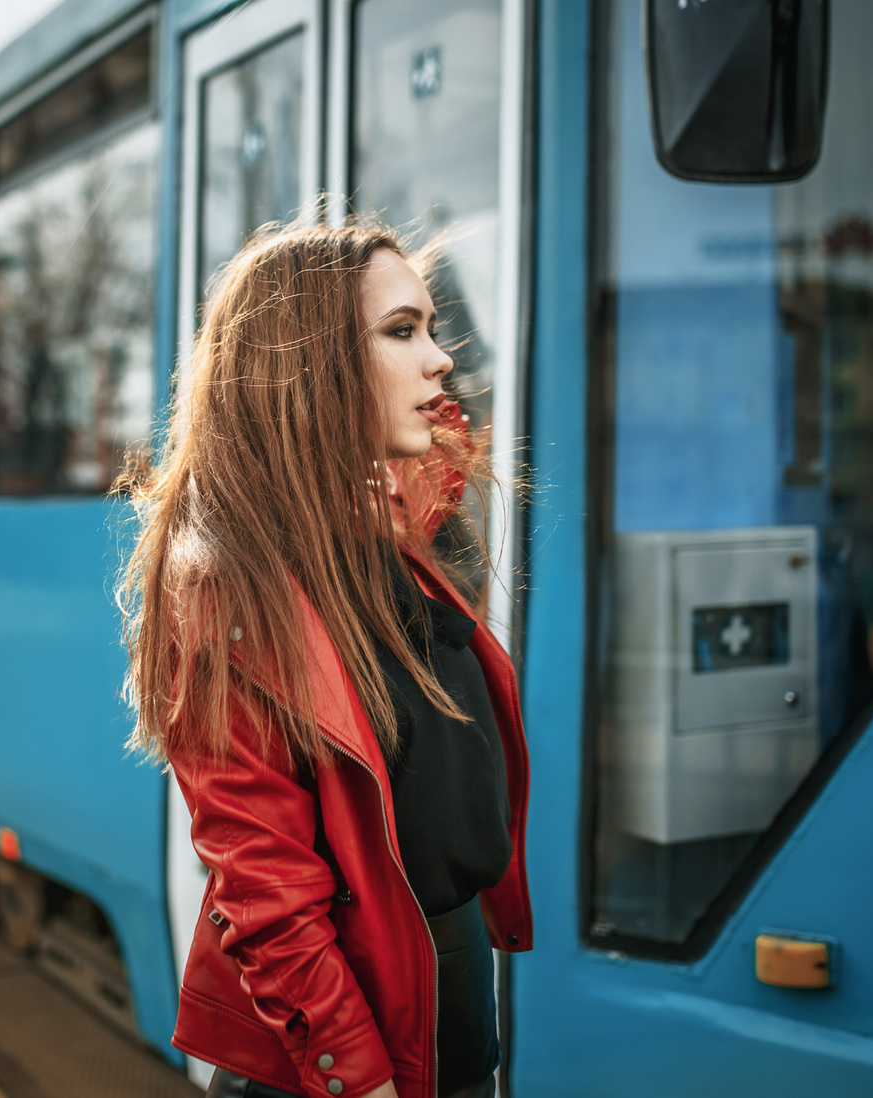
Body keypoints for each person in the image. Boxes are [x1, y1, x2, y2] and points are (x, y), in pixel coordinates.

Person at [117, 223, 532, 1098]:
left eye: (430, 327)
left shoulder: (396, 533)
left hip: (454, 1018)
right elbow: (266, 892)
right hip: (340, 1053)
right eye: (401, 330)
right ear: (305, 363)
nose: (441, 360)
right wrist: (359, 1080)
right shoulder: (233, 589)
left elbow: (448, 449)